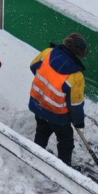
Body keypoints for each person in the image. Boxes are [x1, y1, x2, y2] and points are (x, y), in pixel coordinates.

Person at [27, 32, 88, 166]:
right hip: (57, 115)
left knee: (42, 131)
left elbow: (33, 66)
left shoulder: (48, 52)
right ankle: (64, 170)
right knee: (65, 142)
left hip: (38, 104)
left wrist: (47, 84)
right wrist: (79, 123)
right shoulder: (76, 75)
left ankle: (36, 155)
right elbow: (76, 105)